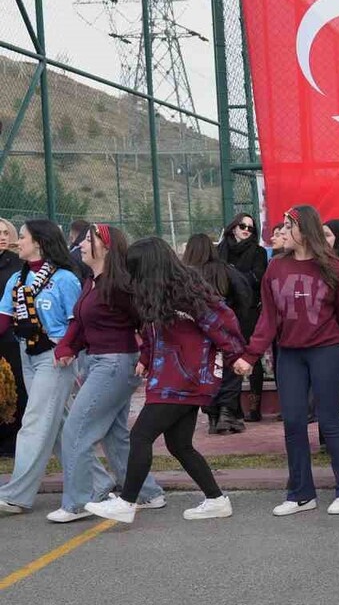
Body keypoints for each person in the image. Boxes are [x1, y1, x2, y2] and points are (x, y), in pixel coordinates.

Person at [85, 238, 243, 524]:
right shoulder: (155, 293)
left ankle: (126, 502)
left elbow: (222, 323)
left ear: (149, 267)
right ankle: (217, 499)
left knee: (141, 435)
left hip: (186, 378)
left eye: (134, 269)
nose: (131, 276)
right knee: (179, 444)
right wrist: (145, 358)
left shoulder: (187, 294)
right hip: (170, 377)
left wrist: (238, 357)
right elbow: (151, 332)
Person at [233, 205, 339, 517]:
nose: (281, 232)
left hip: (326, 351)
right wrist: (250, 356)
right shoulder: (275, 268)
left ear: (304, 231)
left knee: (330, 420)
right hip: (289, 354)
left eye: (287, 226)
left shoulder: (332, 268)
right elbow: (268, 318)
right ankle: (301, 493)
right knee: (292, 422)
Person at [52, 223, 166, 523]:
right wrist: (67, 347)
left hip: (115, 364)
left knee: (76, 430)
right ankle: (149, 494)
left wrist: (146, 355)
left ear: (105, 246)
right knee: (115, 436)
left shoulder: (119, 285)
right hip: (99, 362)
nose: (80, 245)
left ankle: (76, 503)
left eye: (88, 240)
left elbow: (148, 321)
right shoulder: (91, 281)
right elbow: (79, 322)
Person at [0, 221, 86, 515]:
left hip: (55, 356)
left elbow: (78, 321)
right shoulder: (17, 280)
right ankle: (97, 482)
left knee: (34, 422)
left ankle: (16, 495)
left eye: (21, 237)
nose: (17, 241)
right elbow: (4, 318)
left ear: (39, 242)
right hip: (28, 354)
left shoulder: (65, 279)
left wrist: (66, 348)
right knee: (59, 425)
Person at [186, 233, 254, 435]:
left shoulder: (185, 274)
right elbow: (244, 294)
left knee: (205, 372)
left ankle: (212, 415)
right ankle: (226, 412)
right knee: (230, 370)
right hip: (224, 329)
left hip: (196, 333)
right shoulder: (225, 270)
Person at [217, 212, 269, 422]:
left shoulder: (258, 252)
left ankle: (254, 409)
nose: (246, 230)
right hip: (223, 310)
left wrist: (232, 274)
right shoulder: (219, 250)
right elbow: (215, 277)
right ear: (233, 227)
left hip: (248, 311)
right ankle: (230, 408)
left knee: (251, 356)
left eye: (250, 228)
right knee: (226, 358)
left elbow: (257, 277)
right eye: (242, 226)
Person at [0, 217, 24, 457]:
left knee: (15, 389)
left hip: (9, 337)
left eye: (6, 233)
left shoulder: (18, 265)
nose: (3, 237)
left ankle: (12, 442)